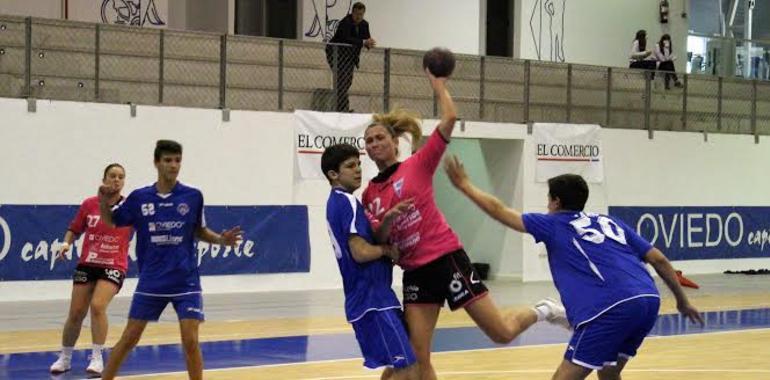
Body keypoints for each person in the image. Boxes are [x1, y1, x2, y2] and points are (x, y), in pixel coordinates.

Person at [361, 70, 567, 380]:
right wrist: (389, 219)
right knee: (417, 357)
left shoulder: (417, 165)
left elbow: (450, 119)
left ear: (394, 142)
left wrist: (439, 86)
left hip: (446, 260)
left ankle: (545, 310)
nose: (374, 143)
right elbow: (379, 236)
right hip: (415, 272)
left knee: (500, 332)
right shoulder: (370, 194)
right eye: (369, 140)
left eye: (380, 138)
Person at [443, 160, 705, 380]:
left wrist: (465, 185)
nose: (547, 204)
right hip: (648, 301)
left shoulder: (553, 224)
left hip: (610, 308)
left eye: (548, 199)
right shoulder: (608, 221)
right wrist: (682, 301)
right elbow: (658, 259)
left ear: (555, 202)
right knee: (609, 374)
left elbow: (500, 211)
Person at [98, 140, 242, 380]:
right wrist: (103, 201)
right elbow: (112, 221)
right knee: (129, 338)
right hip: (152, 281)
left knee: (190, 340)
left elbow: (198, 230)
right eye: (168, 160)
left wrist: (221, 240)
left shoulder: (193, 196)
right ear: (156, 163)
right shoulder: (139, 197)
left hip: (186, 280)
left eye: (177, 160)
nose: (173, 165)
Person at [322, 143, 419, 380]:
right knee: (408, 369)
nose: (358, 170)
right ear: (333, 174)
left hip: (372, 298)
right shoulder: (347, 202)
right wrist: (386, 250)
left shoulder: (338, 203)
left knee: (400, 366)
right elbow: (360, 252)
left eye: (359, 164)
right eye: (350, 166)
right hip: (372, 300)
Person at [49, 164, 133, 377]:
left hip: (114, 264)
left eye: (121, 177)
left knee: (97, 306)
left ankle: (96, 357)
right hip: (88, 263)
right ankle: (65, 357)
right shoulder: (89, 204)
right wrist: (66, 244)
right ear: (104, 179)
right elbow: (74, 229)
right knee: (76, 312)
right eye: (112, 176)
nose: (116, 180)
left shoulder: (129, 206)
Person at [325, 2, 376, 112]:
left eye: (361, 14)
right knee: (342, 82)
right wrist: (363, 42)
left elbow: (366, 38)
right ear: (352, 12)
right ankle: (342, 109)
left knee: (346, 82)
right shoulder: (345, 22)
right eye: (356, 14)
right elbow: (346, 38)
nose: (358, 17)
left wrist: (369, 43)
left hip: (350, 57)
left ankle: (341, 108)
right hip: (336, 55)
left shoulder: (364, 24)